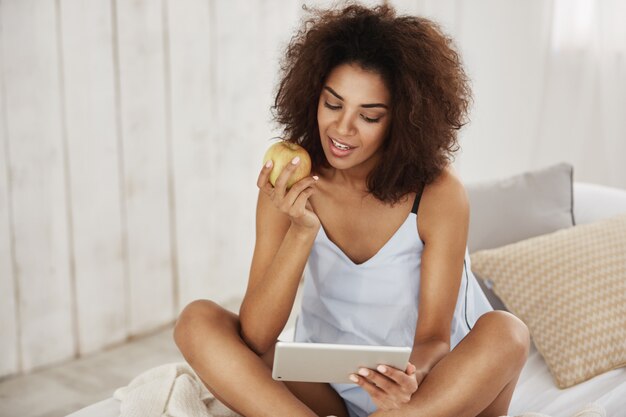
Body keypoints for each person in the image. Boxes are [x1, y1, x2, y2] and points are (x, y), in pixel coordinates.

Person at [173, 3, 530, 417]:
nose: (342, 129)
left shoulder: (437, 194)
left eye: (369, 116)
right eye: (333, 104)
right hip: (328, 385)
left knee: (508, 332)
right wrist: (302, 230)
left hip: (422, 388)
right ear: (313, 97)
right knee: (196, 321)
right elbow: (256, 338)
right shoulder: (288, 179)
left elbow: (435, 338)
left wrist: (408, 380)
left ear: (403, 121)